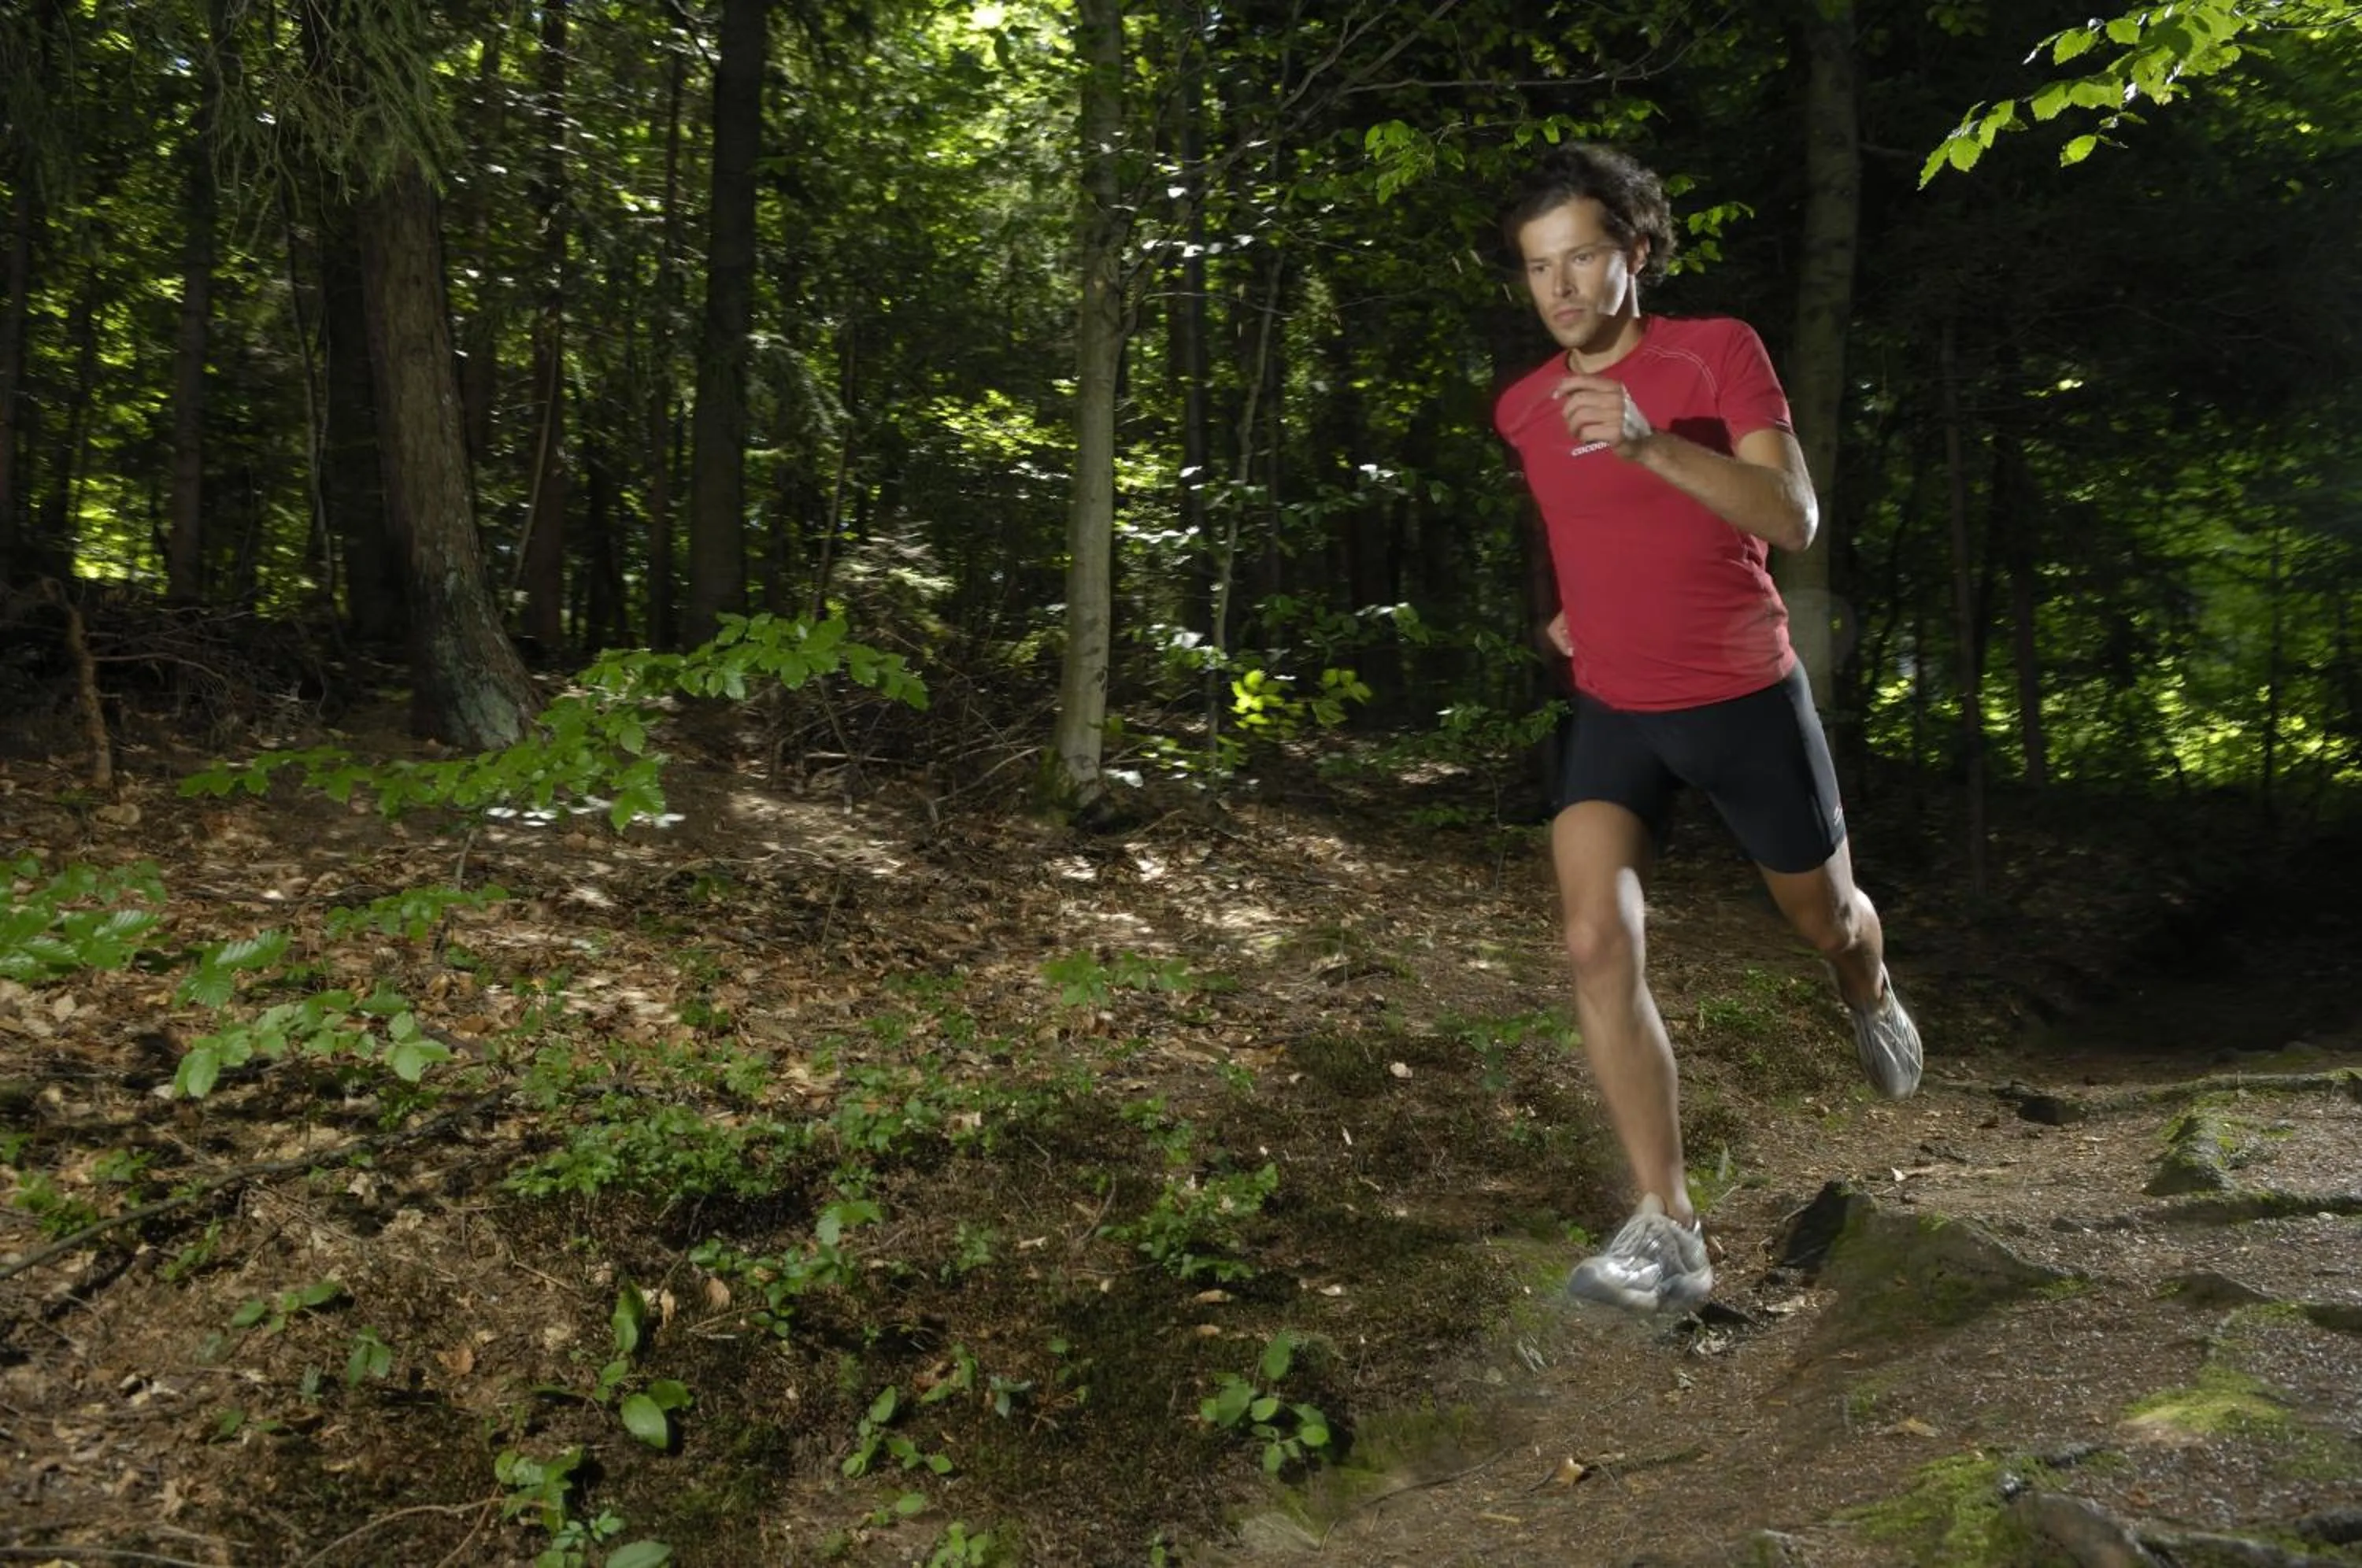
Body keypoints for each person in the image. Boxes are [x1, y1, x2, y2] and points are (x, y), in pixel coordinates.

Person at [1493, 145, 1922, 1315]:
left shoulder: (1716, 351)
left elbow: (1792, 515)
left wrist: (1646, 441)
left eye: (1583, 256)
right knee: (1592, 938)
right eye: (1540, 268)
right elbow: (1587, 529)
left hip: (1742, 699)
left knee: (1824, 919)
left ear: (1633, 251)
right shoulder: (1523, 407)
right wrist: (1577, 610)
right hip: (1619, 713)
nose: (1563, 287)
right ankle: (1670, 1228)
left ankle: (1867, 989)